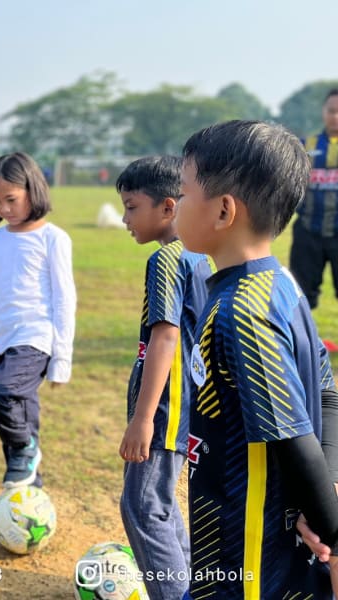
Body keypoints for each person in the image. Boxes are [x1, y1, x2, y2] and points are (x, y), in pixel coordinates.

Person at [176, 120, 338, 599]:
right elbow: (327, 394)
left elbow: (293, 439)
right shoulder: (280, 284)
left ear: (224, 210)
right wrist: (325, 495)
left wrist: (335, 535)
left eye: (183, 193)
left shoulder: (242, 311)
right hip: (262, 549)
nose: (177, 204)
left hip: (245, 555)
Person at [115, 156, 211, 600]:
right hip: (186, 406)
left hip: (167, 409)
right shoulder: (199, 255)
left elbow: (166, 339)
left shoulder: (167, 261)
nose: (124, 218)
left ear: (168, 207)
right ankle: (193, 588)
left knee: (142, 507)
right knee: (162, 506)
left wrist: (143, 418)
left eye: (132, 207)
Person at [0, 152, 75, 488]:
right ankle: (29, 494)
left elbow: (65, 299)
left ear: (33, 190)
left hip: (36, 339)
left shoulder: (53, 238)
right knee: (23, 420)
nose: (4, 209)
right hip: (5, 341)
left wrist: (61, 361)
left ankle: (24, 448)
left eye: (11, 199)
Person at [289, 89, 338, 318]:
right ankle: (303, 346)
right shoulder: (304, 146)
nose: (335, 117)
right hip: (308, 232)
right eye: (331, 111)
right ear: (323, 112)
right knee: (300, 296)